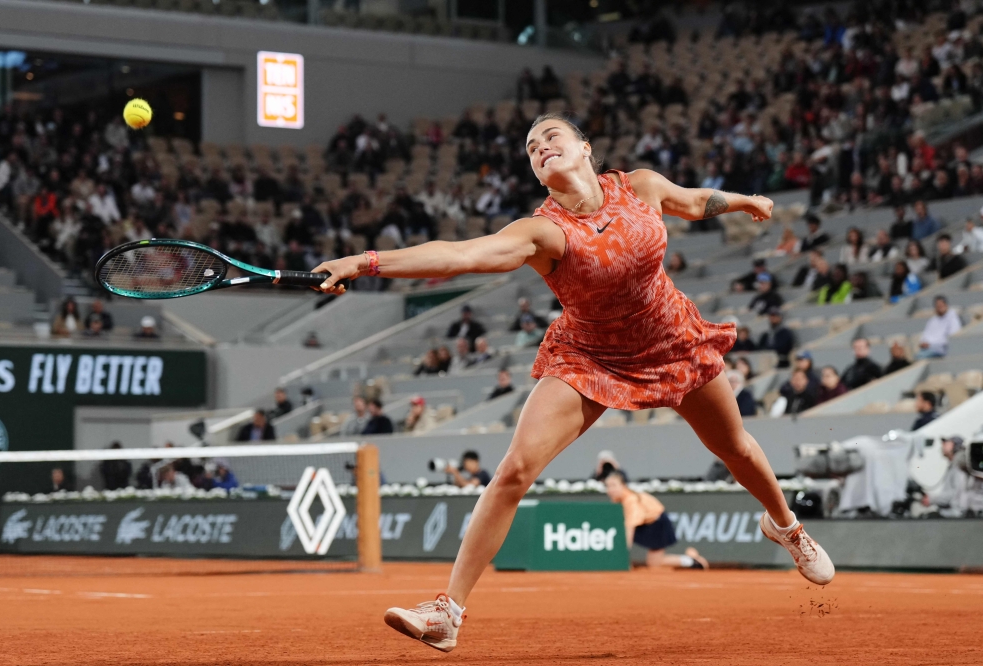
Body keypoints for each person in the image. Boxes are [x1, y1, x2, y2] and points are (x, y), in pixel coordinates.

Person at [310, 112, 833, 651]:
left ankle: (786, 527)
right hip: (590, 355)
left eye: (550, 137)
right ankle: (448, 612)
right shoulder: (542, 232)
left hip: (673, 339)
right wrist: (366, 262)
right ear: (537, 174)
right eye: (531, 148)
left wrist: (743, 200)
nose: (540, 148)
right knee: (514, 469)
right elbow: (460, 254)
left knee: (736, 448)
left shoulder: (640, 187)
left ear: (584, 146)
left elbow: (695, 202)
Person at [605, 471, 708, 570]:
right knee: (654, 563)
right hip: (647, 524)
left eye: (613, 485)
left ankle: (692, 561)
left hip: (657, 524)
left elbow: (629, 530)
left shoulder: (631, 501)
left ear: (623, 485)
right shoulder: (618, 500)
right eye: (608, 486)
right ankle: (691, 559)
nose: (610, 489)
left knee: (655, 563)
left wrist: (621, 559)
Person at [921, 437, 968, 514]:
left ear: (955, 445)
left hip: (954, 514)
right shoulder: (954, 466)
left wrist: (932, 498)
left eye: (947, 442)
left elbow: (955, 494)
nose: (943, 445)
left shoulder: (959, 466)